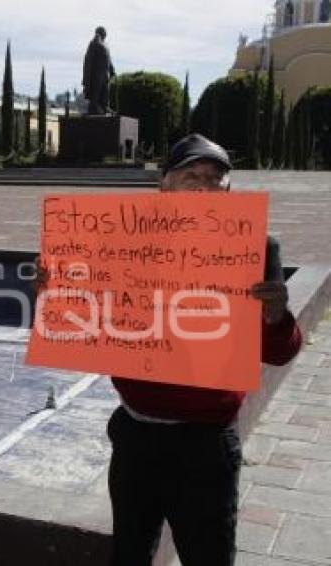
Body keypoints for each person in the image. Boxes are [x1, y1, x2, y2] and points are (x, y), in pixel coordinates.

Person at [106, 134, 303, 565]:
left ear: (228, 190)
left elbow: (281, 352)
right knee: (128, 554)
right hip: (135, 435)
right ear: (164, 184)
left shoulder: (254, 247)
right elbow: (89, 321)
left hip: (205, 444)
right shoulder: (123, 241)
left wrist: (274, 315)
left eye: (214, 178)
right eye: (190, 175)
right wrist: (58, 288)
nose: (202, 186)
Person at [82, 26, 116, 115]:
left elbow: (108, 59)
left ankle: (105, 107)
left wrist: (112, 70)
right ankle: (94, 108)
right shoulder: (94, 43)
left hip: (105, 74)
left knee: (105, 92)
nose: (105, 34)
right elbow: (89, 60)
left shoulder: (105, 45)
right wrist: (87, 77)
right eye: (104, 32)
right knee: (96, 92)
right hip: (97, 74)